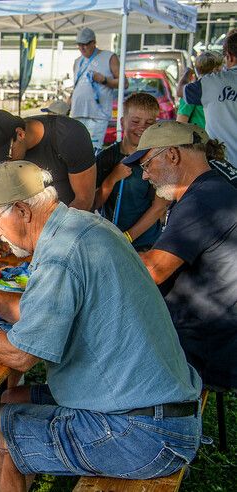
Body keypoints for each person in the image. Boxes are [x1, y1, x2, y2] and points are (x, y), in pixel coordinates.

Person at [0, 161, 202, 491]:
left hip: (143, 431)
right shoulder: (79, 227)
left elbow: (20, 356)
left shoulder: (62, 254)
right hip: (155, 407)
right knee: (8, 401)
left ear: (22, 210)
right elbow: (32, 313)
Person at [122, 121, 237, 390]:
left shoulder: (202, 200)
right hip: (209, 338)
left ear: (172, 155)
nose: (145, 177)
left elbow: (152, 270)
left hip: (200, 349)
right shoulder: (210, 189)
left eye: (146, 165)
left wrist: (99, 256)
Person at [0, 109, 96, 210]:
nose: (6, 164)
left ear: (20, 134)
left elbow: (84, 200)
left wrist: (51, 232)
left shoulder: (69, 136)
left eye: (8, 156)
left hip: (67, 220)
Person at [94, 92, 168, 250]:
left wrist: (127, 237)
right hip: (110, 240)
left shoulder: (160, 160)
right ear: (122, 122)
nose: (142, 127)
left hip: (145, 244)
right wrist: (112, 178)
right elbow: (92, 203)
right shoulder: (106, 157)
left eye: (149, 123)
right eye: (135, 121)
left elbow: (159, 207)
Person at [183, 29, 237, 165]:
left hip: (223, 164)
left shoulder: (212, 82)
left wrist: (186, 74)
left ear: (229, 56)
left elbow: (181, 91)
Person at [70, 27, 124, 151]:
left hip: (97, 115)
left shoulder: (109, 57)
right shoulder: (78, 61)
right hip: (78, 112)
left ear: (93, 42)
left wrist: (104, 80)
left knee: (92, 150)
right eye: (79, 45)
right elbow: (77, 86)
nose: (82, 48)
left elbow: (124, 83)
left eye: (85, 44)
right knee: (76, 150)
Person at [176, 51, 223, 129]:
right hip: (201, 139)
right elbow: (180, 124)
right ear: (215, 70)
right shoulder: (193, 92)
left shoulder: (218, 90)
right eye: (221, 69)